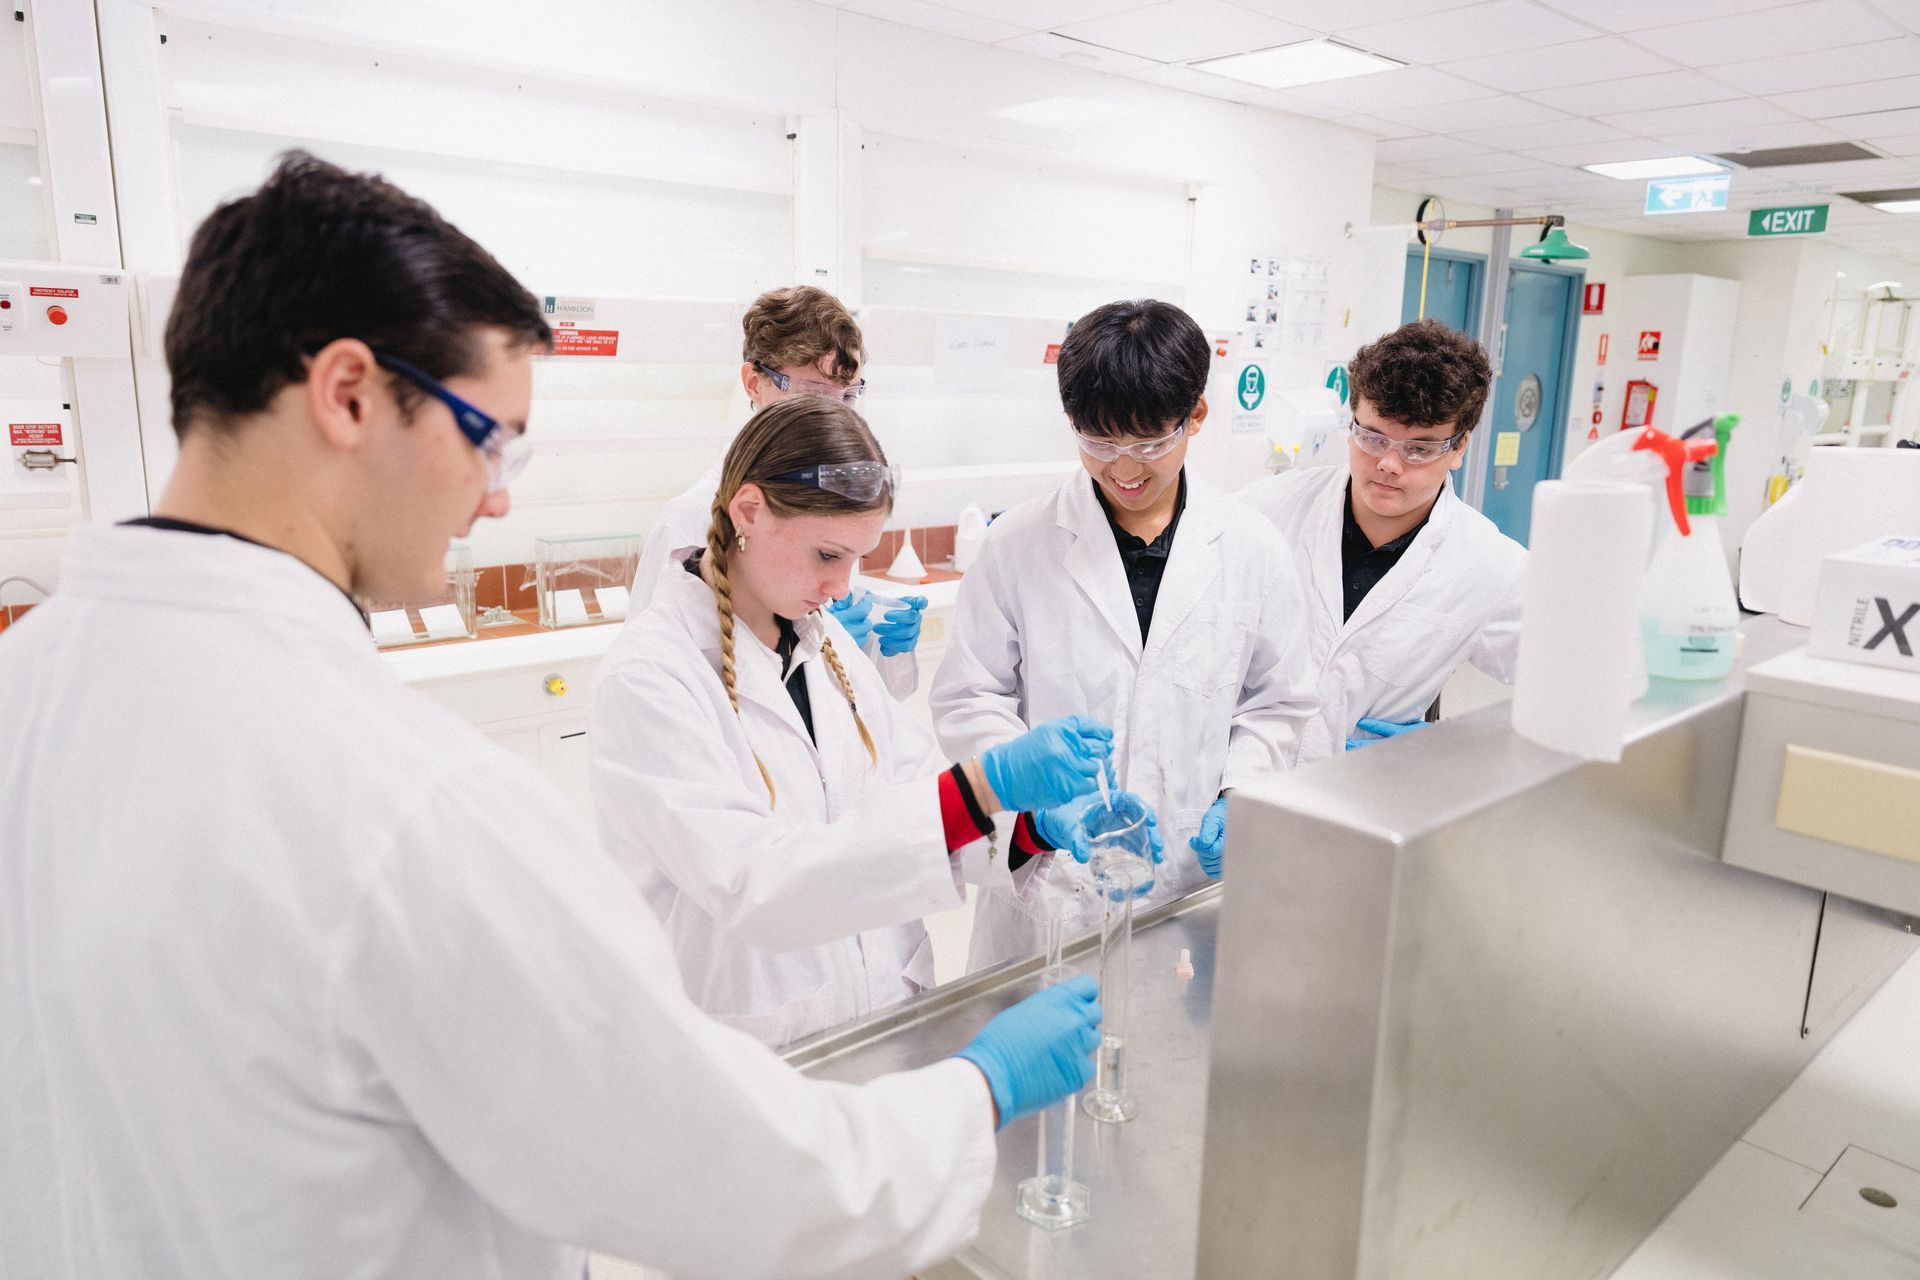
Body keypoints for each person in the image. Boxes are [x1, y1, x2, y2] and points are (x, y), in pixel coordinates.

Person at [0, 152, 1104, 1280]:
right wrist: (977, 1092)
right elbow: (705, 1166)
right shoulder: (404, 795)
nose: (497, 495)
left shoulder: (27, 683)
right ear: (345, 394)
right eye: (489, 434)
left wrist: (1006, 823)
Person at [591, 394, 1155, 1047]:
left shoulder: (818, 641)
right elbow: (756, 884)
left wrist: (1029, 827)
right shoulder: (650, 681)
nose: (842, 586)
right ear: (748, 511)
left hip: (881, 1018)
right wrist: (980, 786)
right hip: (760, 1052)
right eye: (828, 556)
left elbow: (908, 794)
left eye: (858, 559)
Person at [930, 299, 1318, 970]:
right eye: (1099, 442)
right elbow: (970, 696)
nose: (1125, 469)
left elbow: (1277, 703)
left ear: (1196, 415)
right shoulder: (1019, 544)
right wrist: (1038, 800)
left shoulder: (1253, 549)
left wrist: (1240, 791)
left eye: (1150, 443)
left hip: (1186, 883)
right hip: (1051, 887)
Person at [1240, 318, 1528, 764]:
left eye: (1419, 449)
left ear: (1458, 448)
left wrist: (1453, 750)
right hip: (1238, 785)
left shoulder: (1492, 566)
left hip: (1367, 804)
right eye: (1372, 438)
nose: (1389, 464)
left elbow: (1576, 688)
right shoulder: (1267, 510)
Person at [631, 285, 927, 697]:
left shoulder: (839, 500)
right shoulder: (688, 519)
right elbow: (654, 676)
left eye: (849, 395)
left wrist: (882, 652)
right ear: (755, 382)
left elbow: (868, 707)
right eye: (815, 393)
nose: (835, 414)